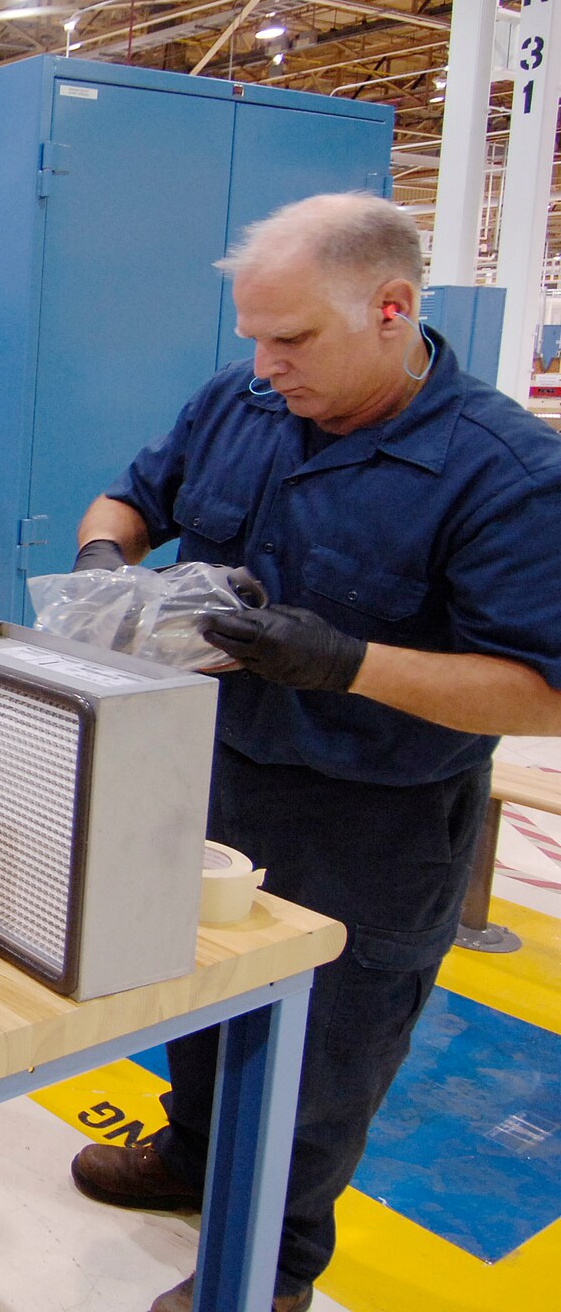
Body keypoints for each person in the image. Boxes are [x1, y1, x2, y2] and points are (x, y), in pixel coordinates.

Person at [65, 193, 561, 1312]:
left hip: (371, 818)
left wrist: (346, 663)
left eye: (290, 340)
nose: (264, 362)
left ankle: (268, 1267)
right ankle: (190, 1155)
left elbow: (541, 694)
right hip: (215, 771)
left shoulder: (505, 473)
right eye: (252, 335)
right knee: (187, 986)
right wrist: (106, 553)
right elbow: (131, 496)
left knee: (325, 1051)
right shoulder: (237, 403)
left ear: (389, 312)